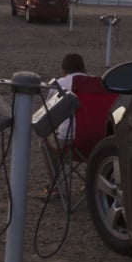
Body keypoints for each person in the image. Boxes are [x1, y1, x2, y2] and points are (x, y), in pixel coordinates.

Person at [34, 53, 86, 194]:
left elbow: (48, 113)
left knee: (45, 141)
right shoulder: (97, 83)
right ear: (84, 69)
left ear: (64, 71)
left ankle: (54, 185)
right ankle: (92, 183)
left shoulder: (60, 84)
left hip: (68, 141)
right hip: (96, 141)